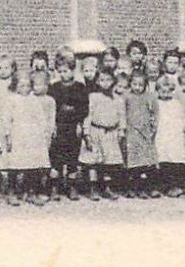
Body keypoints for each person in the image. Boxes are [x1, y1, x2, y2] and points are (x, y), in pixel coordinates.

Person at [5, 72, 53, 204]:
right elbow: (7, 119)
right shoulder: (11, 100)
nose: (25, 88)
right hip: (18, 135)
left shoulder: (34, 100)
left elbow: (41, 118)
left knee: (32, 165)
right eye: (22, 85)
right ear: (15, 86)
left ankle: (30, 191)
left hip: (33, 136)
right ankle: (12, 192)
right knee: (15, 165)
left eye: (28, 86)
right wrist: (8, 136)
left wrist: (43, 133)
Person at [48, 57, 90, 199]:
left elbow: (84, 108)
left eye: (66, 71)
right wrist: (52, 125)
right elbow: (51, 108)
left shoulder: (80, 87)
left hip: (73, 127)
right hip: (59, 126)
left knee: (72, 157)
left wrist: (79, 124)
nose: (63, 74)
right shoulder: (54, 88)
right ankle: (55, 186)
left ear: (73, 70)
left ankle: (72, 187)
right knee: (56, 157)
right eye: (60, 72)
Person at [80, 69, 123, 200]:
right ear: (97, 82)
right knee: (93, 161)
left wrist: (121, 131)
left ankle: (106, 188)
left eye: (108, 80)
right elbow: (88, 115)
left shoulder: (118, 99)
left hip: (111, 133)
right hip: (95, 131)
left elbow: (122, 116)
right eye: (102, 80)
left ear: (114, 81)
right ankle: (93, 188)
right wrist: (86, 133)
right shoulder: (93, 97)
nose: (105, 83)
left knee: (108, 162)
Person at [122, 71, 158, 197]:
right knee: (132, 163)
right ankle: (132, 188)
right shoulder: (126, 97)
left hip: (145, 132)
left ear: (145, 85)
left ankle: (146, 188)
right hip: (131, 133)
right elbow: (123, 113)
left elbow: (154, 113)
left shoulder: (150, 97)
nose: (137, 87)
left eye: (140, 85)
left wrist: (153, 127)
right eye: (134, 84)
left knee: (146, 162)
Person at [154, 72, 185, 196]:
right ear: (158, 90)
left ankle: (174, 185)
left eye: (169, 91)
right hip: (160, 133)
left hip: (174, 135)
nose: (166, 94)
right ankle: (162, 185)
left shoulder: (176, 104)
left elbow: (181, 119)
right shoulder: (156, 103)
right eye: (163, 91)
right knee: (162, 159)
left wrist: (178, 131)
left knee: (174, 159)